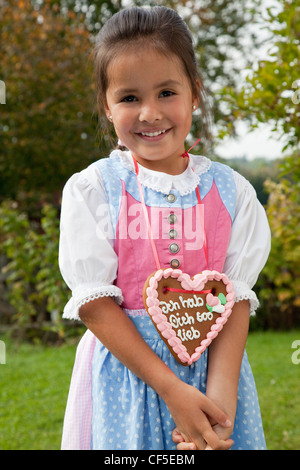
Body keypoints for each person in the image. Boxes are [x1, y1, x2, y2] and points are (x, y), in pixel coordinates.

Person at [59, 6, 270, 450]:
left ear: (194, 93)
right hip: (127, 380)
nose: (150, 113)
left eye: (167, 92)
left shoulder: (232, 194)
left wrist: (219, 401)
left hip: (213, 375)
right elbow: (95, 304)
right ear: (107, 105)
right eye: (130, 98)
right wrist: (172, 390)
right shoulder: (95, 190)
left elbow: (234, 301)